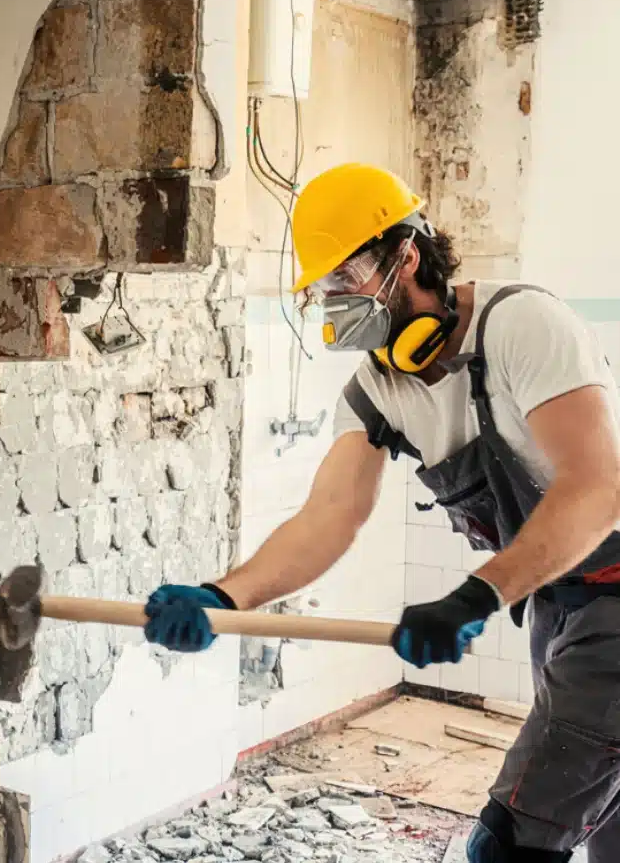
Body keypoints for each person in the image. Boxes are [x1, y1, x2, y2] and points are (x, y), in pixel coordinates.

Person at [142, 163, 620, 862]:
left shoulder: (522, 325)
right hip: (561, 612)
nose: (334, 300)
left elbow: (597, 487)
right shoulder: (378, 390)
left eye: (348, 276)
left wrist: (473, 597)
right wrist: (221, 598)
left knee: (511, 843)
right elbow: (327, 518)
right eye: (322, 288)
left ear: (408, 255)